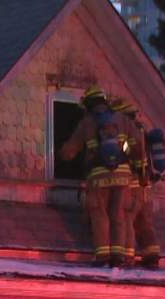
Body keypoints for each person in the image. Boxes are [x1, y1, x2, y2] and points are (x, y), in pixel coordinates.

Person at [59, 86, 139, 267]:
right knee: (118, 214)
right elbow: (137, 145)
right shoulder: (123, 120)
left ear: (89, 104)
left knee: (99, 214)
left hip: (98, 178)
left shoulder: (86, 123)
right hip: (122, 176)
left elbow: (70, 151)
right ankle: (118, 256)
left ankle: (102, 256)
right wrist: (136, 166)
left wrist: (61, 153)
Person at [111, 98, 161, 268]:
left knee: (127, 218)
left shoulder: (127, 133)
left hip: (133, 183)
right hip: (146, 185)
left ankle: (127, 256)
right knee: (144, 221)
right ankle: (151, 255)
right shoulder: (142, 130)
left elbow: (127, 154)